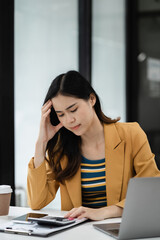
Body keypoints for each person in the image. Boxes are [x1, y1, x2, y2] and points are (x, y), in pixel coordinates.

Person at [27, 70, 160, 221]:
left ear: (91, 99)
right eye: (61, 114)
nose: (69, 120)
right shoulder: (61, 148)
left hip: (122, 229)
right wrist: (41, 143)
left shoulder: (131, 134)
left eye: (73, 110)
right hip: (80, 233)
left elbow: (152, 192)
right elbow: (37, 202)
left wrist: (104, 212)